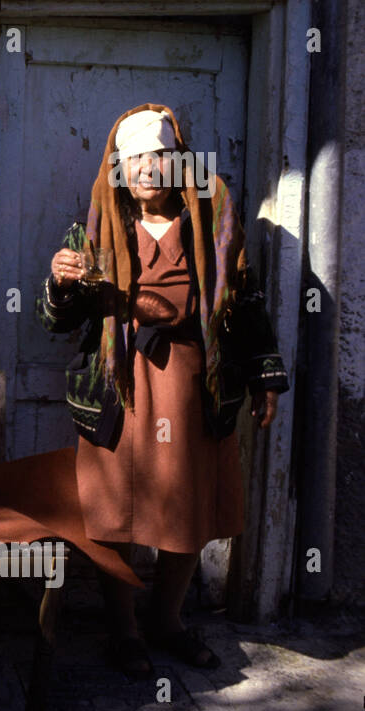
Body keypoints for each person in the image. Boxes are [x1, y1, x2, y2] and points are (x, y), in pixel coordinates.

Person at [37, 103, 289, 679]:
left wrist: (264, 378)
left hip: (191, 384)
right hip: (119, 386)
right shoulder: (95, 230)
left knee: (188, 510)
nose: (147, 168)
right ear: (119, 170)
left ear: (179, 165)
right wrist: (59, 282)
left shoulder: (212, 223)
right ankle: (123, 628)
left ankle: (166, 620)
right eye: (134, 159)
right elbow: (56, 322)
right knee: (114, 514)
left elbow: (244, 302)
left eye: (159, 156)